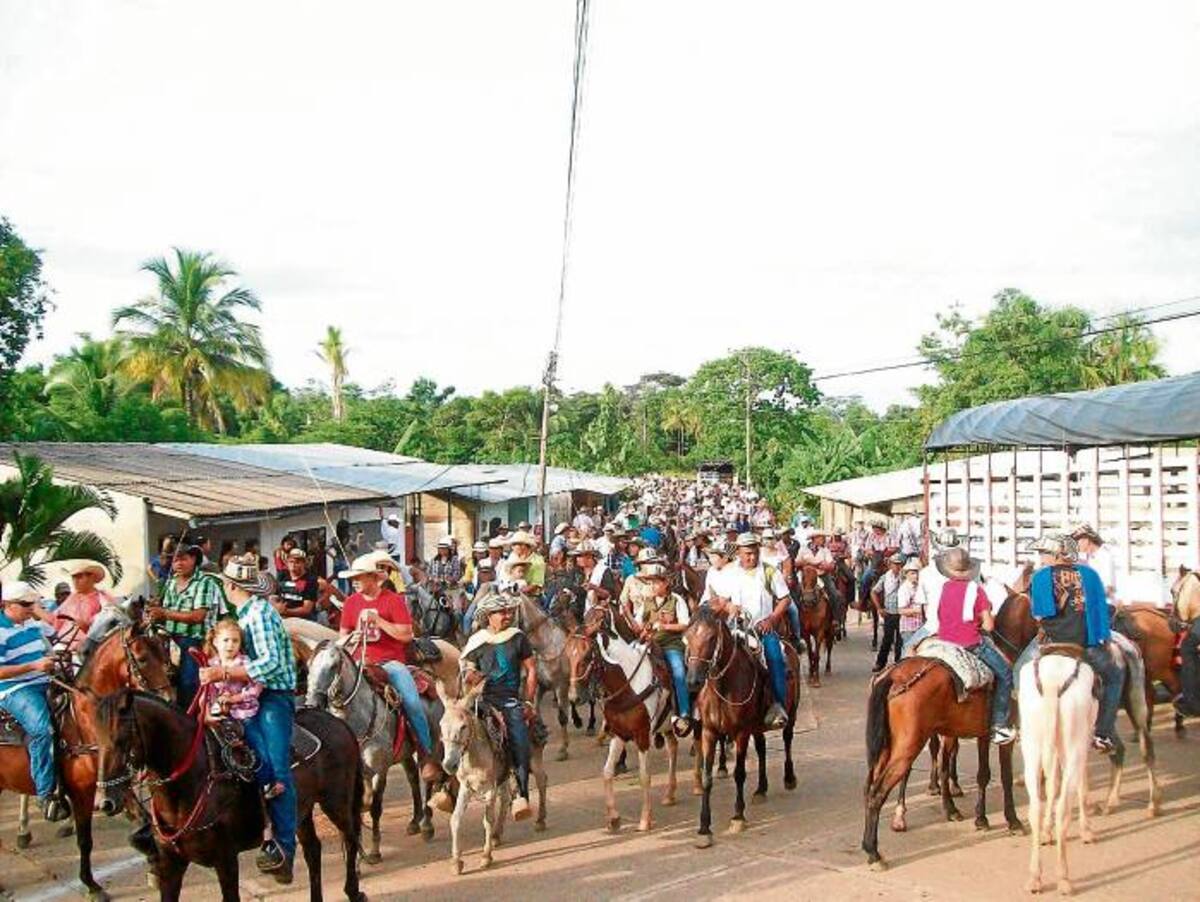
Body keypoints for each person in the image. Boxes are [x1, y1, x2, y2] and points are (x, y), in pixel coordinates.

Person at [199, 555, 297, 880]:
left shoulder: (260, 613)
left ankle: (283, 850)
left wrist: (222, 671)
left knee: (277, 769)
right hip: (246, 694)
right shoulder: (245, 613)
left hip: (273, 696)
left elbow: (268, 664)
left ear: (229, 586)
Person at [337, 554, 440, 780]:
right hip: (357, 661)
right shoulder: (351, 603)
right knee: (332, 695)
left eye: (359, 577)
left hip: (390, 663)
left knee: (412, 702)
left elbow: (406, 635)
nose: (354, 581)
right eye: (352, 577)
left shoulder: (392, 600)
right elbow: (342, 636)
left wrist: (380, 621)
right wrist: (351, 638)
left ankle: (426, 753)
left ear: (374, 578)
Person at [1029, 534, 1121, 752]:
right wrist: (1103, 640)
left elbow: (1041, 615)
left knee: (1016, 672)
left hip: (1052, 643)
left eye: (1044, 553)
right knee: (1114, 677)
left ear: (1057, 554)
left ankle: (1009, 722)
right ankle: (1103, 733)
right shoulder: (1090, 575)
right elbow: (1100, 612)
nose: (1041, 558)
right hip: (1086, 644)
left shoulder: (1041, 577)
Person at [460, 588, 538, 821]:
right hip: (480, 699)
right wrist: (470, 676)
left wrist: (528, 700)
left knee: (519, 738)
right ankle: (444, 787)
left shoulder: (518, 637)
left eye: (507, 611)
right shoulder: (477, 641)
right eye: (500, 612)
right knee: (452, 729)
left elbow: (531, 669)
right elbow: (468, 670)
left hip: (509, 700)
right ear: (488, 616)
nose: (506, 615)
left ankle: (520, 794)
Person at [706, 533, 791, 729]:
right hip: (735, 628)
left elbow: (785, 598)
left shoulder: (770, 572)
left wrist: (772, 618)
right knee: (709, 656)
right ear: (738, 553)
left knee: (775, 658)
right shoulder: (729, 573)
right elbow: (719, 599)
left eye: (754, 553)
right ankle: (704, 706)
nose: (751, 557)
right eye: (747, 554)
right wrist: (729, 607)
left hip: (762, 628)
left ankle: (778, 705)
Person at [0, 581, 69, 822]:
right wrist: (33, 665)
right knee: (42, 730)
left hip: (45, 679)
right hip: (14, 688)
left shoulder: (31, 623)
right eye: (26, 604)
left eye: (33, 603)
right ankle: (45, 793)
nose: (31, 608)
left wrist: (53, 655)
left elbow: (57, 629)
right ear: (7, 605)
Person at [931, 547, 1015, 745]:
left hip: (944, 640)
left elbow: (940, 616)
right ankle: (1000, 725)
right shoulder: (976, 590)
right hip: (970, 643)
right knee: (1005, 674)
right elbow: (989, 625)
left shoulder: (944, 587)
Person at [202, 619, 283, 801]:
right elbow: (206, 692)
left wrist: (233, 699)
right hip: (220, 716)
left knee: (258, 745)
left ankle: (267, 782)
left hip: (244, 714)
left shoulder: (246, 663)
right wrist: (207, 711)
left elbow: (255, 689)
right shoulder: (211, 664)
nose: (230, 645)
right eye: (226, 640)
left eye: (235, 641)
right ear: (215, 641)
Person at [150, 544, 228, 709]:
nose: (178, 563)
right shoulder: (170, 583)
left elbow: (198, 616)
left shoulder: (204, 582)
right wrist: (154, 614)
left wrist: (164, 613)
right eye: (175, 560)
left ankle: (188, 717)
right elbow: (165, 615)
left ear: (194, 559)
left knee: (187, 683)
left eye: (183, 559)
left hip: (195, 641)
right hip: (171, 640)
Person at [632, 563, 692, 735]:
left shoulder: (676, 600)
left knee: (679, 671)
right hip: (649, 644)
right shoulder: (646, 602)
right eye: (650, 583)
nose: (652, 586)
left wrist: (664, 626)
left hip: (670, 645)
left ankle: (684, 712)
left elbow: (685, 624)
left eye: (656, 582)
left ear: (666, 583)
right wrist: (642, 629)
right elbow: (638, 624)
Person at [53, 561, 117, 654]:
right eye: (73, 577)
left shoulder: (103, 598)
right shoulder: (72, 597)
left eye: (79, 576)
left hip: (89, 646)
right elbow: (56, 619)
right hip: (64, 643)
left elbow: (110, 624)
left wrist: (86, 626)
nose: (75, 581)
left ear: (91, 577)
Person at [1070, 524, 1120, 608]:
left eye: (1077, 542)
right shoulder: (1090, 558)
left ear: (1086, 540)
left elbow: (1107, 588)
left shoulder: (1104, 556)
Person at [871, 553, 906, 673]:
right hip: (890, 613)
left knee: (901, 641)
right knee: (887, 639)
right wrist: (879, 608)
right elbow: (874, 591)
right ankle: (880, 663)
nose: (897, 567)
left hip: (903, 613)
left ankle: (898, 664)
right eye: (895, 564)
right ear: (890, 565)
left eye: (899, 564)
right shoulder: (885, 577)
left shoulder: (906, 577)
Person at [274, 548, 317, 620]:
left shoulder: (310, 580)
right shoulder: (282, 575)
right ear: (287, 562)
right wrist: (276, 606)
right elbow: (274, 596)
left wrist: (286, 611)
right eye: (291, 561)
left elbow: (307, 609)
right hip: (283, 618)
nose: (293, 564)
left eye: (297, 562)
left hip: (302, 620)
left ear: (303, 563)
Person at [897, 559, 924, 647]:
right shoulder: (904, 589)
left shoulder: (920, 587)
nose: (915, 576)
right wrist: (918, 610)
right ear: (906, 574)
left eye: (917, 573)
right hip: (909, 628)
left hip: (920, 626)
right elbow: (901, 611)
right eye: (912, 573)